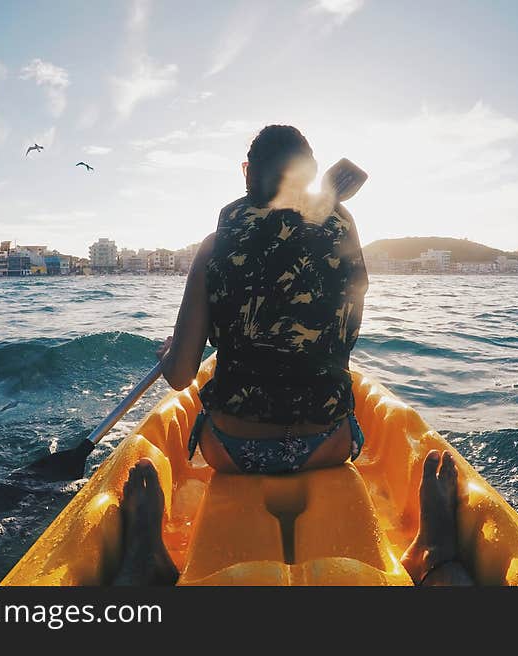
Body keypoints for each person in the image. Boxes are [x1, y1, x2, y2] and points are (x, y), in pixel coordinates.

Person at [116, 125, 472, 586]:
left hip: (231, 449)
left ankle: (146, 557)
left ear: (247, 173)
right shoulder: (342, 228)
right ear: (310, 176)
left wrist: (172, 351)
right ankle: (436, 554)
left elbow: (183, 375)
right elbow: (344, 334)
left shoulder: (214, 245)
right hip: (327, 444)